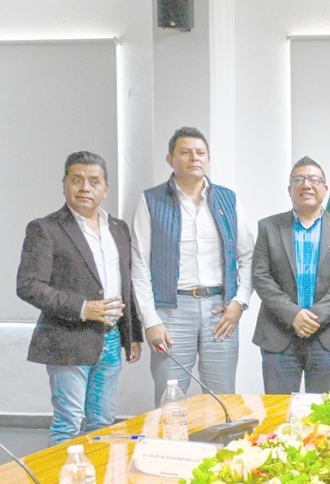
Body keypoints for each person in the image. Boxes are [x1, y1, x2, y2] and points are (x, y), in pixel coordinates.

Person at [17, 151, 142, 444]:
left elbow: (126, 284)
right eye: (77, 180)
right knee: (68, 424)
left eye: (94, 181)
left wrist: (131, 334)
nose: (85, 187)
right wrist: (83, 307)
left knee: (103, 424)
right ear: (64, 184)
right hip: (67, 337)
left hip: (111, 338)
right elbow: (28, 285)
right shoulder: (45, 228)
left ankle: (96, 475)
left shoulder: (118, 228)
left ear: (105, 188)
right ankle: (61, 477)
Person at [131, 127, 255, 406]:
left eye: (200, 153)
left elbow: (247, 255)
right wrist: (150, 320)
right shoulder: (150, 201)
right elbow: (139, 265)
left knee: (223, 399)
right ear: (170, 159)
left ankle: (221, 439)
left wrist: (239, 302)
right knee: (170, 400)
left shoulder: (228, 199)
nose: (194, 158)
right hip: (171, 312)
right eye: (185, 152)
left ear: (208, 159)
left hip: (220, 311)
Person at [252, 156, 330, 394]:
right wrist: (293, 314)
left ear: (325, 188)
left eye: (313, 179)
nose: (306, 185)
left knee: (324, 410)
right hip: (279, 333)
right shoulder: (269, 227)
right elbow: (261, 276)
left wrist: (315, 317)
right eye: (298, 179)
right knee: (279, 410)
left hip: (327, 334)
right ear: (289, 189)